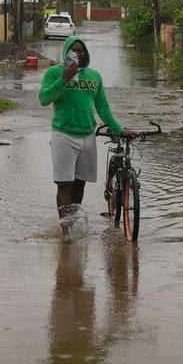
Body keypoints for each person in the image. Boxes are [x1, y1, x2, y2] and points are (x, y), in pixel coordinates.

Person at [39, 36, 135, 225]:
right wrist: (64, 78)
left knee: (79, 184)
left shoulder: (94, 76)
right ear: (66, 52)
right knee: (64, 184)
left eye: (81, 50)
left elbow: (103, 107)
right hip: (63, 135)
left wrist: (119, 129)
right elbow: (44, 99)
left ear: (86, 53)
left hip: (88, 136)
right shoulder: (53, 73)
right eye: (73, 50)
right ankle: (66, 232)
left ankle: (73, 223)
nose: (77, 54)